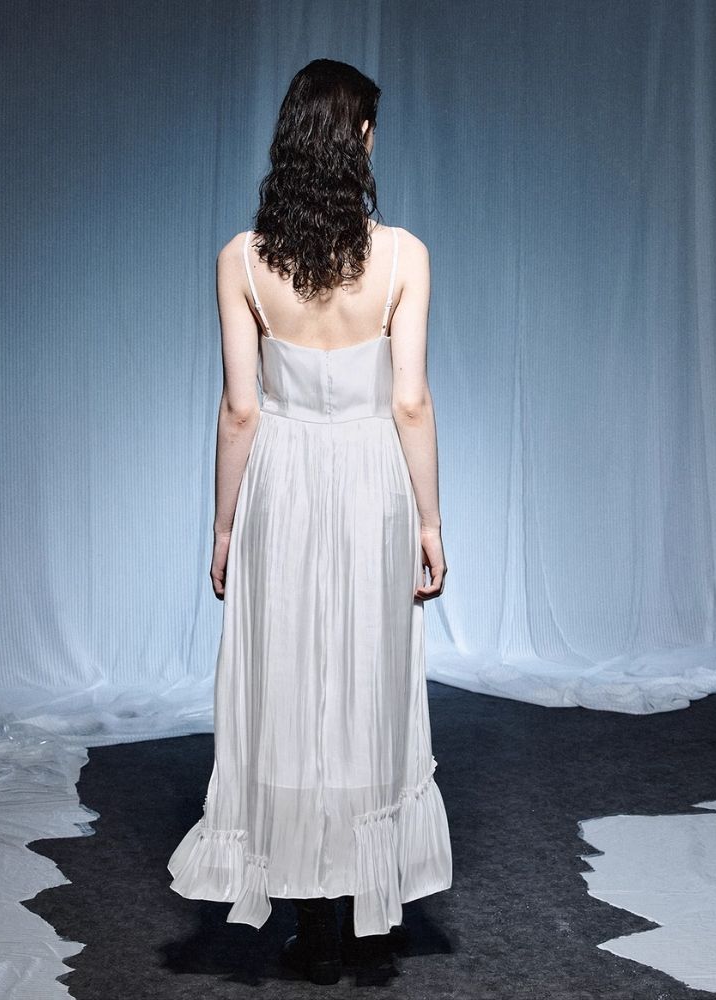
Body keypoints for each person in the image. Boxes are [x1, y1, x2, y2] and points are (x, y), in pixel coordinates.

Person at [167, 58, 453, 985]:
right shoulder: (403, 257)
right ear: (360, 139)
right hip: (371, 478)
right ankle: (366, 910)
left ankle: (314, 922)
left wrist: (222, 529)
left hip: (281, 484)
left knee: (285, 682)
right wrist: (431, 522)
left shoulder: (242, 261)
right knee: (370, 677)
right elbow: (410, 402)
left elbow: (239, 410)